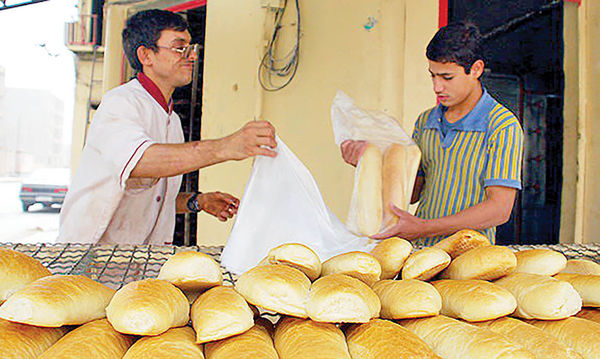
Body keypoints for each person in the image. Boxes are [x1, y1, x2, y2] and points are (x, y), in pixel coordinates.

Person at [58, 9, 277, 245]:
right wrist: (225, 147)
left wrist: (197, 201)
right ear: (146, 56)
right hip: (91, 255)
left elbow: (153, 199)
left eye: (191, 48)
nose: (192, 56)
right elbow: (139, 163)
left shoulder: (172, 121)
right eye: (179, 47)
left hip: (139, 260)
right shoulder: (120, 103)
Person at [341, 22, 523, 245]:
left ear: (476, 69)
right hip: (419, 254)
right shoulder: (425, 122)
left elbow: (499, 210)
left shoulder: (502, 126)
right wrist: (367, 162)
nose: (437, 87)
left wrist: (424, 228)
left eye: (447, 78)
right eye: (432, 76)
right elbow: (412, 192)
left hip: (466, 257)